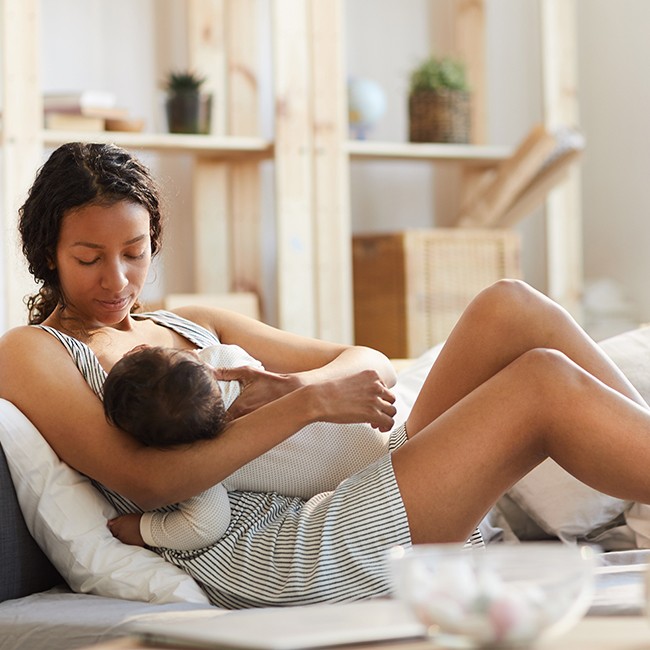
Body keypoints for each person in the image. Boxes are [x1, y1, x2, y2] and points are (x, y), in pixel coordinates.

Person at [2, 142, 650, 609]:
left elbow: (362, 360)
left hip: (348, 476)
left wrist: (298, 389)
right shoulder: (35, 350)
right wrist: (304, 404)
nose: (116, 279)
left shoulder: (190, 320)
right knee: (539, 384)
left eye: (134, 253)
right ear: (47, 255)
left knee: (510, 305)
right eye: (89, 258)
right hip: (273, 538)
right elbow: (147, 482)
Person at [102, 343, 391, 550]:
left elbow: (204, 526)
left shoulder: (204, 468)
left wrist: (142, 529)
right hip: (387, 437)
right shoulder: (228, 360)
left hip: (372, 480)